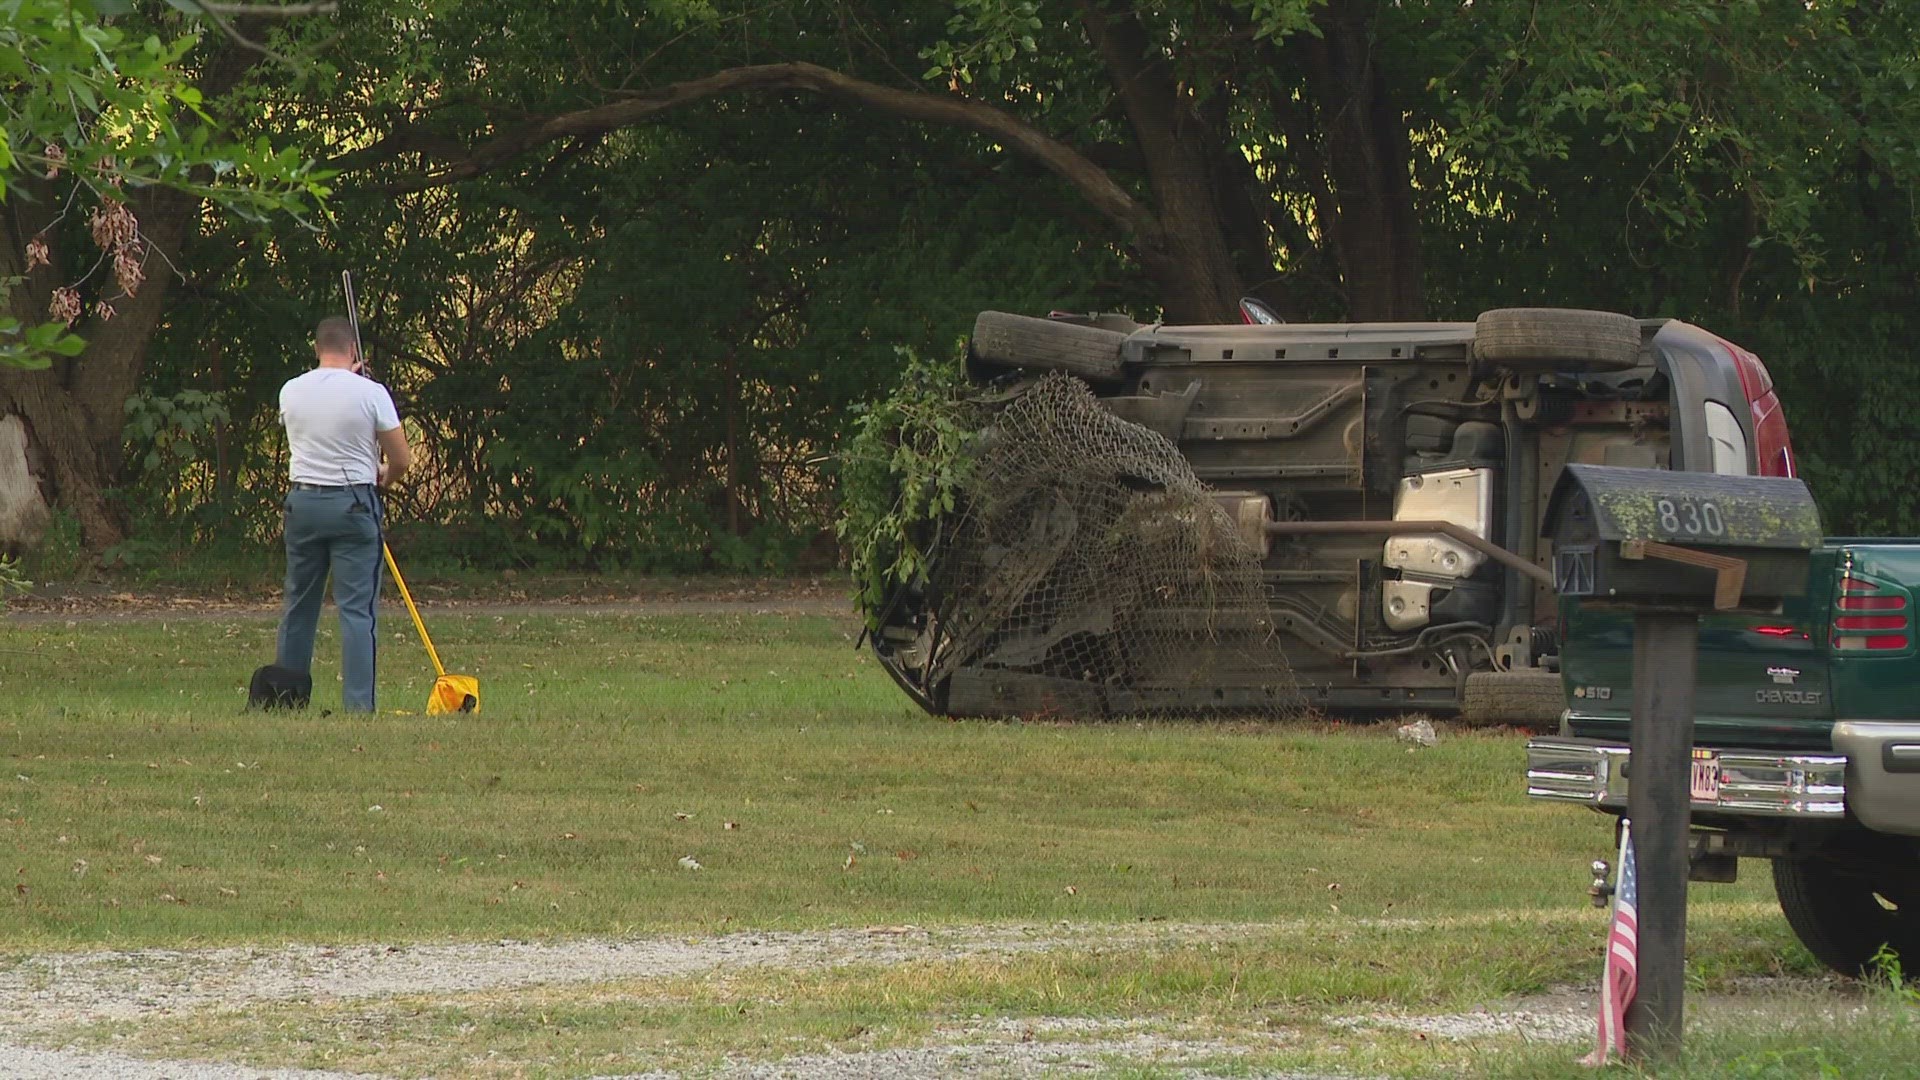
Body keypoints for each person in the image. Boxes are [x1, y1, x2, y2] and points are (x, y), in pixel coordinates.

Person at [274, 316, 412, 711]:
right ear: (353, 351)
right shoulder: (370, 392)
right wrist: (386, 476)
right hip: (352, 503)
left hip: (303, 503)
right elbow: (400, 457)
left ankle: (287, 696)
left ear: (317, 349)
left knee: (299, 601)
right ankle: (357, 706)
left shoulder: (291, 391)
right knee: (356, 609)